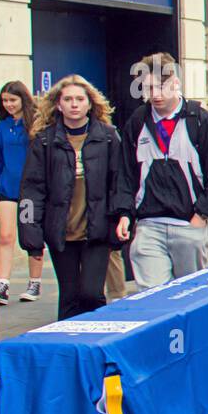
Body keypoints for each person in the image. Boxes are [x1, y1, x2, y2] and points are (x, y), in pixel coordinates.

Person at [115, 53, 208, 289]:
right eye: (149, 88)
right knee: (152, 295)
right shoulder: (138, 121)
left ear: (176, 83)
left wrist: (201, 214)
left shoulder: (198, 119)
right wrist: (125, 213)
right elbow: (126, 172)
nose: (156, 95)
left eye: (162, 87)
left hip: (188, 224)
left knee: (189, 293)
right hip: (149, 224)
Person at [18, 76, 126, 320]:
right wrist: (31, 237)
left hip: (97, 229)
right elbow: (31, 191)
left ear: (90, 103)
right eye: (68, 99)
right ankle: (67, 340)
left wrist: (124, 216)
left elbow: (120, 182)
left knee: (91, 293)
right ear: (58, 105)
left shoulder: (108, 137)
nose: (74, 104)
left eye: (79, 99)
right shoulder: (44, 141)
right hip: (61, 232)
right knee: (69, 296)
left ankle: (98, 335)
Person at [0, 81, 43, 304]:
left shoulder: (35, 125)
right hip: (7, 189)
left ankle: (34, 282)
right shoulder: (1, 128)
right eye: (5, 101)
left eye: (12, 100)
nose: (8, 104)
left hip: (30, 191)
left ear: (23, 100)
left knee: (30, 237)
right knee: (6, 236)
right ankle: (2, 284)